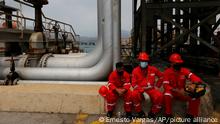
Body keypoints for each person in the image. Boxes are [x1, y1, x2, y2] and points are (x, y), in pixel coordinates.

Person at [162, 53, 204, 123]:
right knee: (167, 94)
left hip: (183, 92)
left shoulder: (184, 70)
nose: (178, 65)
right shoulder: (167, 72)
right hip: (173, 92)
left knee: (196, 96)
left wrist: (193, 84)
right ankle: (168, 115)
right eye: (176, 63)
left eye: (179, 63)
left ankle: (190, 116)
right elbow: (165, 86)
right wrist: (177, 90)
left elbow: (196, 78)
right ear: (171, 63)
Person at [132, 52, 163, 118]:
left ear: (148, 61)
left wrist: (157, 86)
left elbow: (161, 77)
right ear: (139, 61)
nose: (144, 62)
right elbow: (134, 84)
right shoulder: (135, 70)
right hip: (140, 90)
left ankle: (153, 112)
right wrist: (142, 91)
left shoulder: (153, 69)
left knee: (159, 96)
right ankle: (140, 112)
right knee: (134, 94)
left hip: (151, 89)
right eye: (142, 61)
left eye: (145, 61)